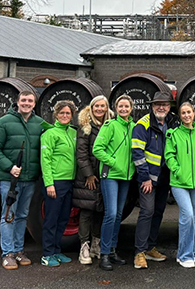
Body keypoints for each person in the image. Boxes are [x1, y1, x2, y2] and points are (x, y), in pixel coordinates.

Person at [0, 90, 46, 270]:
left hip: (30, 178)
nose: (26, 103)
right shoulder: (4, 122)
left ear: (34, 104)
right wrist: (10, 167)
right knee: (8, 216)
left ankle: (19, 250)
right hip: (10, 178)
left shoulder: (39, 123)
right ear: (18, 102)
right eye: (23, 100)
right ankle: (8, 253)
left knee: (22, 215)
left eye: (30, 101)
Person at [131, 91, 179, 269]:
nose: (161, 107)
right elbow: (137, 153)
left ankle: (150, 247)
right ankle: (139, 252)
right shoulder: (142, 124)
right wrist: (145, 178)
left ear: (169, 107)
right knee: (147, 211)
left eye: (165, 104)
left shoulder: (173, 121)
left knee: (159, 211)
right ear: (152, 106)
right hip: (148, 178)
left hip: (166, 176)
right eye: (158, 104)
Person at [92, 95, 136, 271]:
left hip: (125, 177)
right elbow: (97, 149)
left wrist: (130, 168)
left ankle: (112, 250)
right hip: (110, 174)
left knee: (118, 214)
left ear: (131, 108)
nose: (123, 109)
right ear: (116, 108)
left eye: (127, 106)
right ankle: (104, 254)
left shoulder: (134, 127)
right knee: (110, 213)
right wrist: (113, 162)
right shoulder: (110, 125)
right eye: (120, 106)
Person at [164, 102, 195, 268]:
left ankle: (185, 252)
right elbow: (169, 156)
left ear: (194, 113)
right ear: (180, 116)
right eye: (183, 113)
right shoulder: (173, 134)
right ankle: (186, 254)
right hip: (179, 182)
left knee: (191, 220)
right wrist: (178, 172)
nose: (187, 115)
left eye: (189, 112)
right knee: (187, 215)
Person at [39, 100, 78, 267]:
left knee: (63, 219)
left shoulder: (72, 133)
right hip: (56, 182)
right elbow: (45, 160)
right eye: (62, 113)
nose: (65, 116)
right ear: (56, 114)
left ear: (72, 115)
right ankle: (47, 254)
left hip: (69, 181)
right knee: (51, 219)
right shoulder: (50, 133)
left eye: (68, 113)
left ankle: (56, 250)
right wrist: (49, 183)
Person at [73, 95, 111, 265]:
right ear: (91, 108)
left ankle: (96, 243)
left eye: (102, 106)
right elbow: (81, 153)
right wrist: (88, 174)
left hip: (105, 175)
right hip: (88, 177)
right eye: (96, 106)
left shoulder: (110, 125)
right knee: (87, 211)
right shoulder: (85, 127)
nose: (100, 109)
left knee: (100, 210)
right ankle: (84, 246)